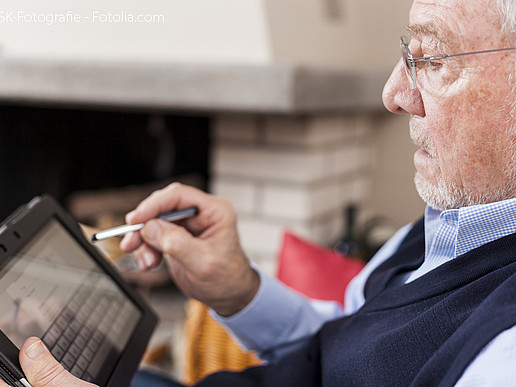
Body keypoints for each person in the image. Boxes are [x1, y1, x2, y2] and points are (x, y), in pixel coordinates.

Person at [5, 0, 516, 385]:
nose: (394, 94)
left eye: (435, 57)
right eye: (409, 51)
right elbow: (346, 342)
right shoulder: (443, 224)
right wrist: (239, 290)